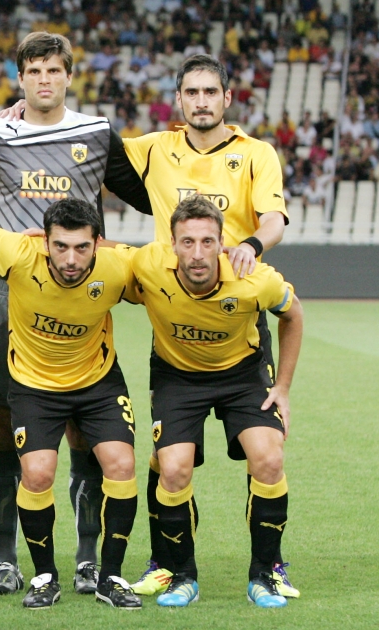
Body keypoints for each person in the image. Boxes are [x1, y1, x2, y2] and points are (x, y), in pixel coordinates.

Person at [0, 31, 152, 597]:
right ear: (19, 78)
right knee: (5, 430)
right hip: (12, 296)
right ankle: (5, 558)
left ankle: (88, 558)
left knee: (83, 433)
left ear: (70, 75)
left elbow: (148, 196)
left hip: (81, 294)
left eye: (53, 70)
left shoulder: (96, 133)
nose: (44, 80)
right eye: (34, 71)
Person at [118, 54, 295, 598]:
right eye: (191, 92)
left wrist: (250, 246)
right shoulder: (153, 148)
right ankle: (168, 562)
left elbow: (273, 220)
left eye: (210, 92)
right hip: (175, 317)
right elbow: (83, 148)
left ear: (227, 98)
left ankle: (269, 567)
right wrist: (26, 113)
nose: (201, 101)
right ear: (178, 99)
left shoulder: (255, 154)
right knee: (168, 462)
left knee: (268, 456)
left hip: (237, 311)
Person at [0, 197, 143, 610]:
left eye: (82, 247)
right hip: (34, 385)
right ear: (44, 242)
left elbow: (169, 261)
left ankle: (110, 577)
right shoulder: (16, 252)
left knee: (122, 465)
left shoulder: (119, 265)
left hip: (97, 383)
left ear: (97, 243)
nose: (71, 259)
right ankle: (44, 577)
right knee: (36, 474)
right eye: (60, 246)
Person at [129, 195, 302, 609]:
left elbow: (293, 314)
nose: (197, 253)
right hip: (177, 377)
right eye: (187, 242)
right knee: (173, 468)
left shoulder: (254, 278)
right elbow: (97, 255)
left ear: (222, 243)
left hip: (243, 375)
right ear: (172, 244)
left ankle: (264, 575)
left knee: (269, 459)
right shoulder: (147, 263)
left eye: (207, 241)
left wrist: (283, 388)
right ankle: (182, 576)